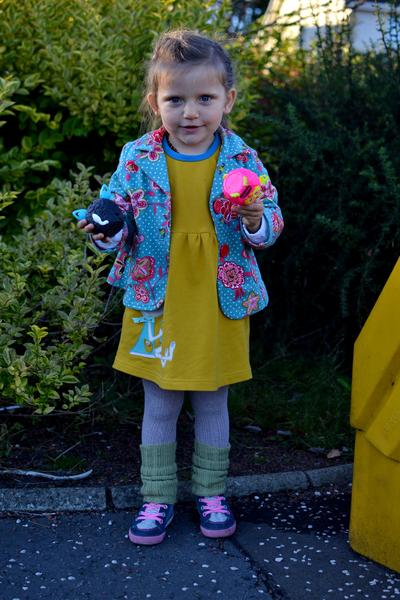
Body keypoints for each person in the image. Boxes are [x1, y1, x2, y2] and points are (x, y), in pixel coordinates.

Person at [78, 30, 284, 546]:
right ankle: (157, 497)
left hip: (217, 298)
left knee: (213, 402)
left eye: (205, 99)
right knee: (160, 402)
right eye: (175, 100)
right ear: (156, 103)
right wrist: (105, 229)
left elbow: (271, 222)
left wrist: (256, 218)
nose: (190, 113)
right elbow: (117, 215)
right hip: (158, 298)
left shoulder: (242, 159)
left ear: (227, 100)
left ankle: (212, 493)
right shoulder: (137, 158)